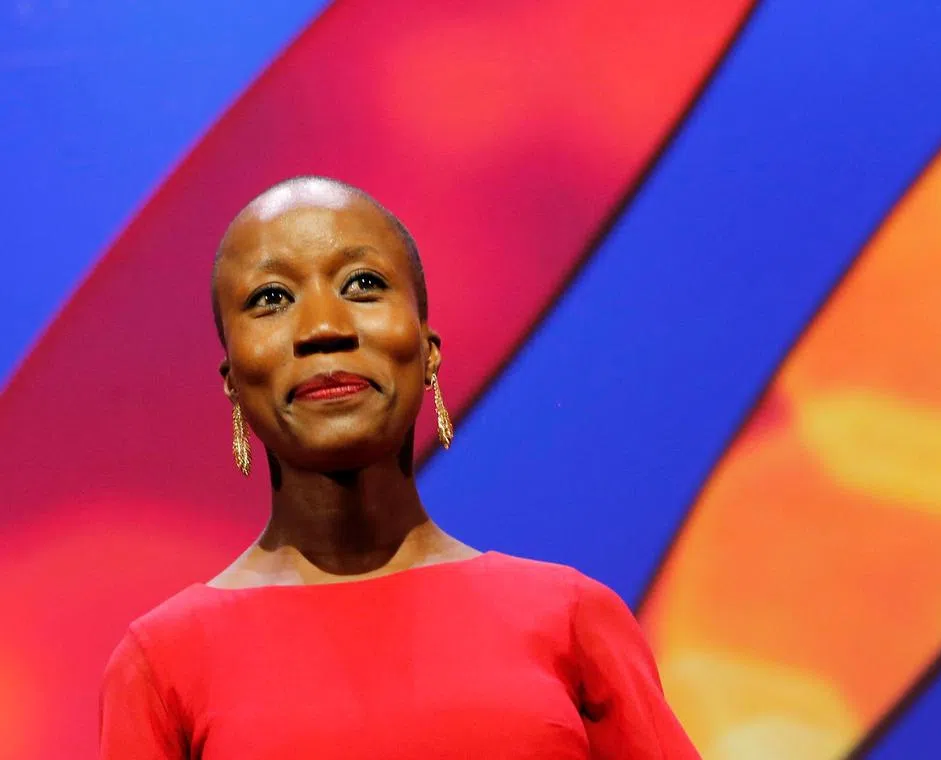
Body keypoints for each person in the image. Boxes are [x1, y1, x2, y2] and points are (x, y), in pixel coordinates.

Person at [99, 175, 700, 759]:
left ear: (426, 347)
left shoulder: (571, 620)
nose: (324, 329)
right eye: (271, 298)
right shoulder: (163, 662)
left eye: (362, 284)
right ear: (232, 378)